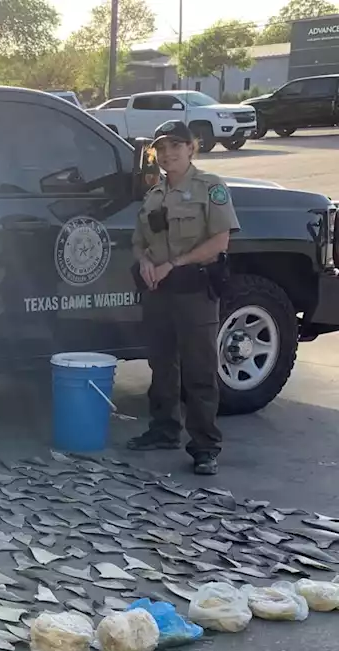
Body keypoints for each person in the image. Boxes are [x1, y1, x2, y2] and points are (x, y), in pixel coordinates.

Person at [127, 120, 239, 477]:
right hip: (158, 293)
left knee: (199, 372)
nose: (167, 153)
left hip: (194, 291)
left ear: (193, 147)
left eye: (176, 146)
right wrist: (144, 260)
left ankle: (205, 447)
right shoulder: (153, 194)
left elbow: (219, 243)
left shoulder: (211, 188)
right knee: (161, 367)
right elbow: (138, 240)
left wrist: (174, 263)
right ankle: (163, 430)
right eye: (161, 148)